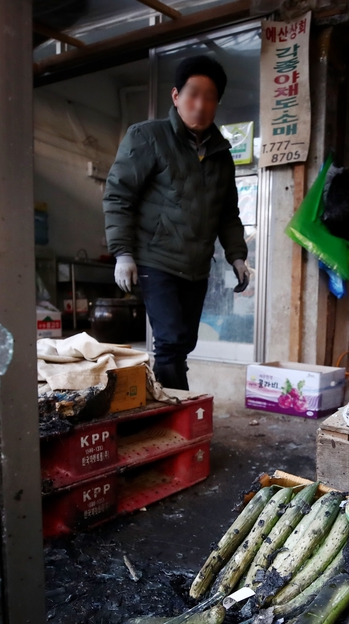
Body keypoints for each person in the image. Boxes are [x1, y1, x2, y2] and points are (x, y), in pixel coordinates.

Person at [103, 55, 250, 391]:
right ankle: (178, 414)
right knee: (169, 343)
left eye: (209, 96)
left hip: (197, 266)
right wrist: (123, 253)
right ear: (175, 96)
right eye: (192, 94)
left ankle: (163, 403)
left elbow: (227, 213)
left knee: (183, 344)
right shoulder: (147, 137)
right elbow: (118, 195)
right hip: (156, 259)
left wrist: (237, 257)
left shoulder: (221, 156)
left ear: (217, 103)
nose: (200, 104)